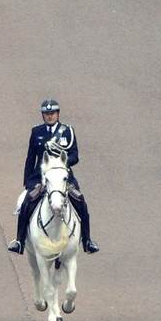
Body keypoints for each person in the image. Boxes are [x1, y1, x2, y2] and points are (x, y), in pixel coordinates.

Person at [7, 98, 99, 256]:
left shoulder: (67, 131)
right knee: (26, 203)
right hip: (41, 177)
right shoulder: (37, 132)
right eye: (46, 114)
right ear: (43, 115)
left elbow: (75, 156)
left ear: (58, 114)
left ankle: (87, 240)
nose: (50, 116)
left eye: (52, 113)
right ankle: (19, 241)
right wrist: (28, 181)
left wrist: (61, 164)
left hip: (63, 176)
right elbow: (30, 158)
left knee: (81, 202)